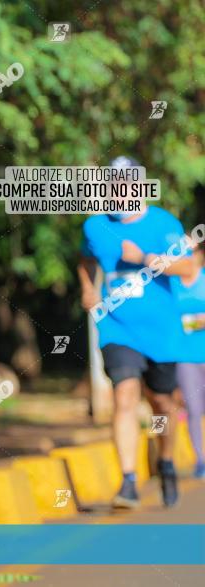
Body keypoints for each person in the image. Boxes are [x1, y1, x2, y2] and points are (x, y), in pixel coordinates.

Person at [78, 155, 197, 509]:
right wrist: (88, 287)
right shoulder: (95, 226)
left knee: (161, 403)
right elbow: (85, 260)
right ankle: (128, 480)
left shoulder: (164, 223)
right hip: (117, 327)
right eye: (113, 185)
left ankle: (166, 461)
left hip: (162, 332)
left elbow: (188, 265)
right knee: (124, 396)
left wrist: (146, 258)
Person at [172, 245, 205, 478]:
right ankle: (200, 460)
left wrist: (187, 323)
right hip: (184, 357)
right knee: (194, 409)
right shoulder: (171, 285)